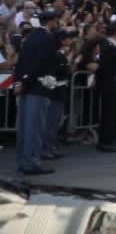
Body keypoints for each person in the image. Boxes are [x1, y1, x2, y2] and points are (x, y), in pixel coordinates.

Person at [14, 10, 60, 175]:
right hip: (38, 86)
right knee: (35, 127)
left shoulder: (30, 37)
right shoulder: (48, 38)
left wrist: (19, 82)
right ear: (52, 21)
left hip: (27, 86)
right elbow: (40, 64)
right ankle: (32, 162)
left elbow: (21, 63)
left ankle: (23, 160)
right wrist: (26, 81)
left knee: (25, 127)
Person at [42, 29, 73, 161]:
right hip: (55, 90)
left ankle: (50, 148)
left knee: (55, 122)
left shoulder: (60, 53)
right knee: (51, 122)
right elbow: (61, 71)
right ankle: (46, 149)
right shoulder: (56, 54)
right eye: (67, 38)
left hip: (59, 90)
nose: (69, 40)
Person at [95, 23, 116, 152]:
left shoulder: (112, 44)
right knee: (109, 113)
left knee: (112, 112)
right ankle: (107, 140)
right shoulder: (107, 45)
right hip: (110, 83)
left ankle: (109, 139)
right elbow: (105, 65)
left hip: (113, 82)